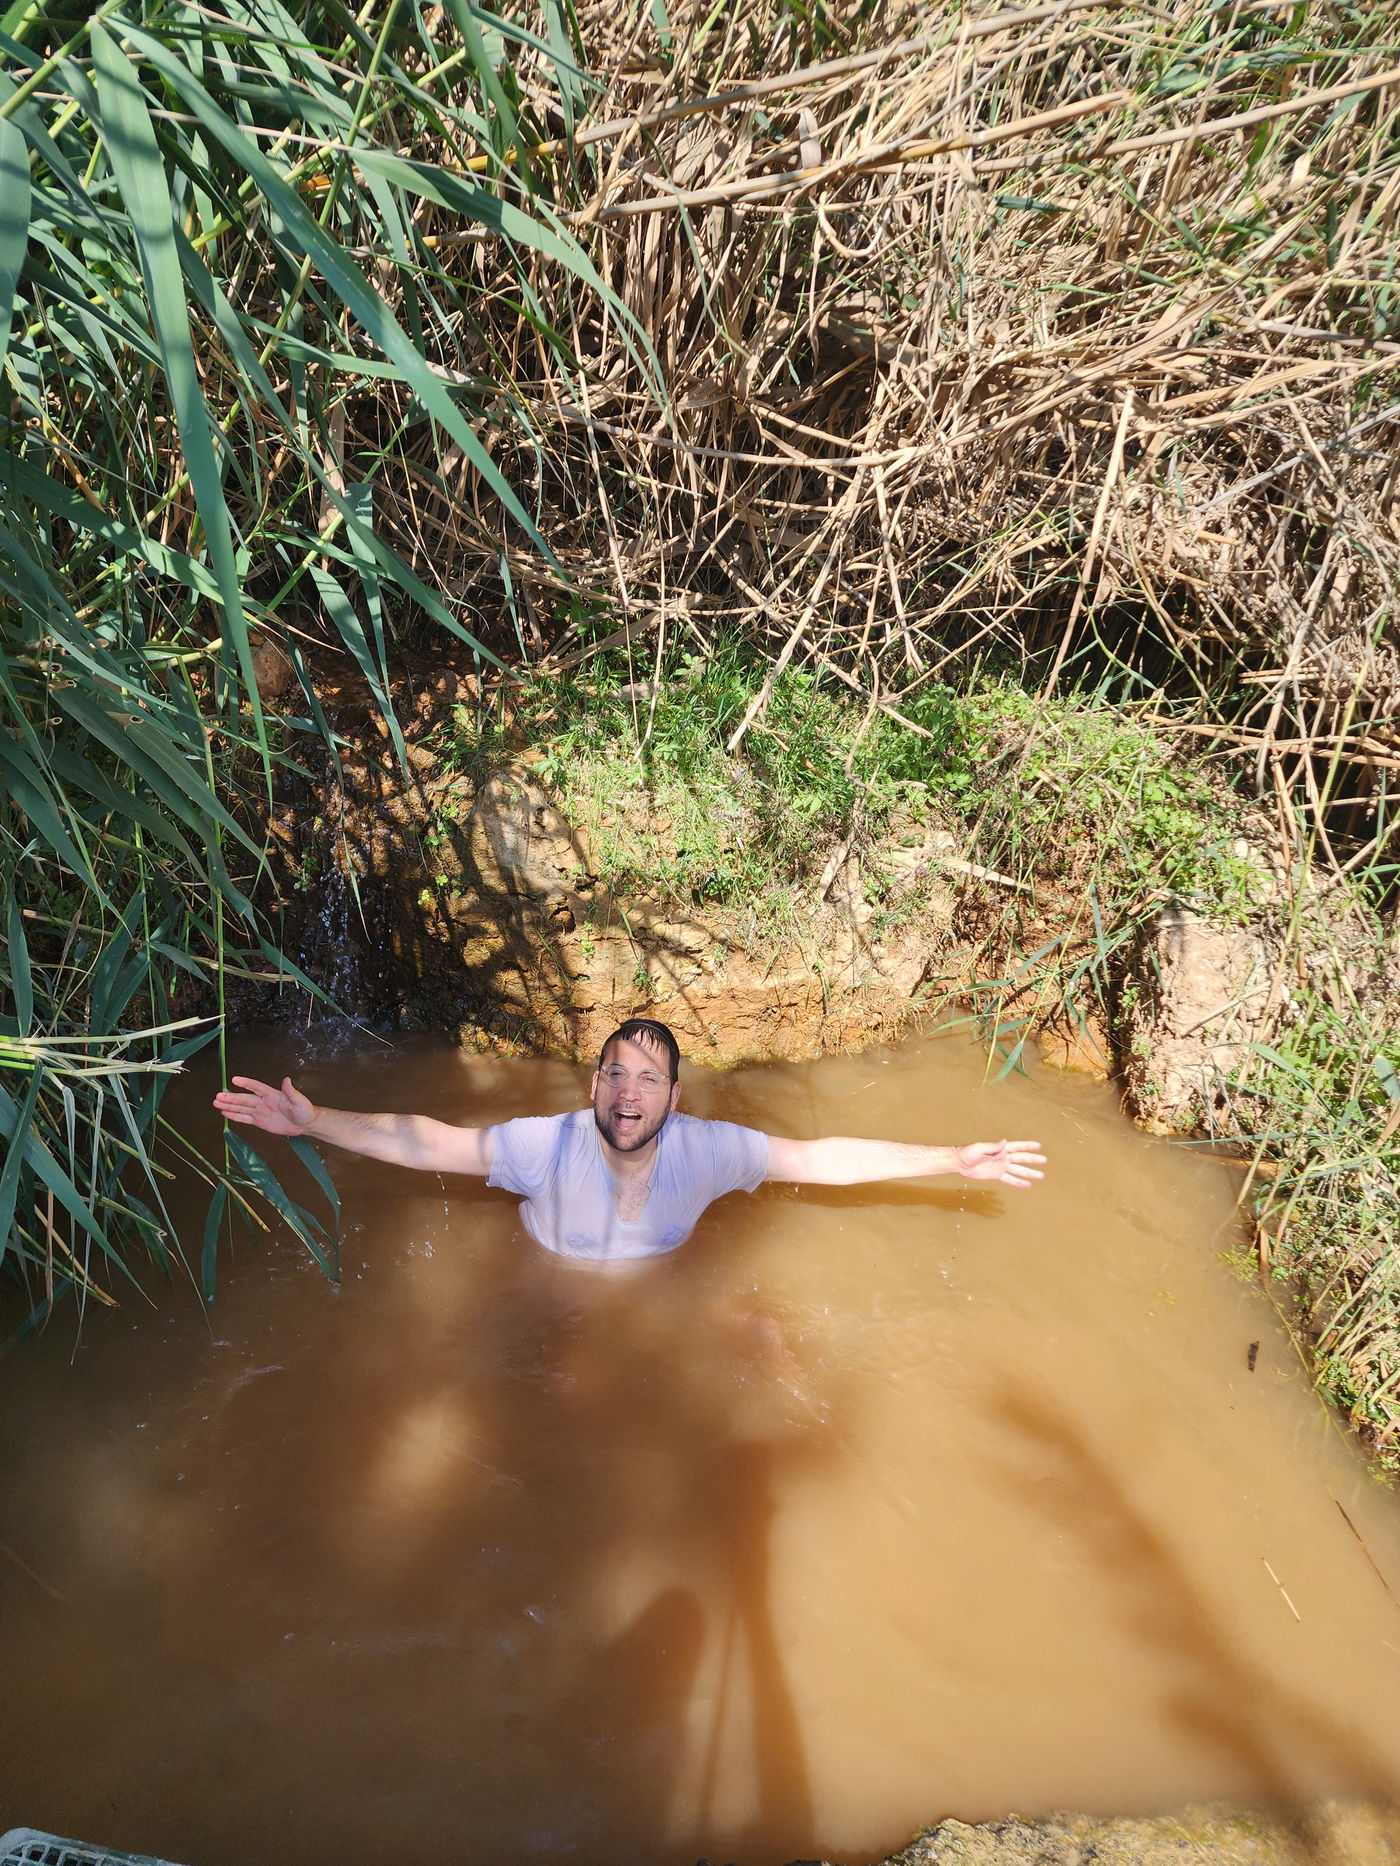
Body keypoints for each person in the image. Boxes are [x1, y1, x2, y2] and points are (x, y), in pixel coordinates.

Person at [212, 1016, 1046, 1264]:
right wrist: (314, 1121)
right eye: (615, 1074)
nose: (628, 1093)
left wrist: (951, 1160)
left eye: (648, 1080)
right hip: (550, 1305)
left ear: (674, 1098)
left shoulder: (708, 1150)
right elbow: (430, 1141)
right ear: (593, 1087)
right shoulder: (545, 1147)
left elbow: (819, 1159)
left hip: (661, 1312)